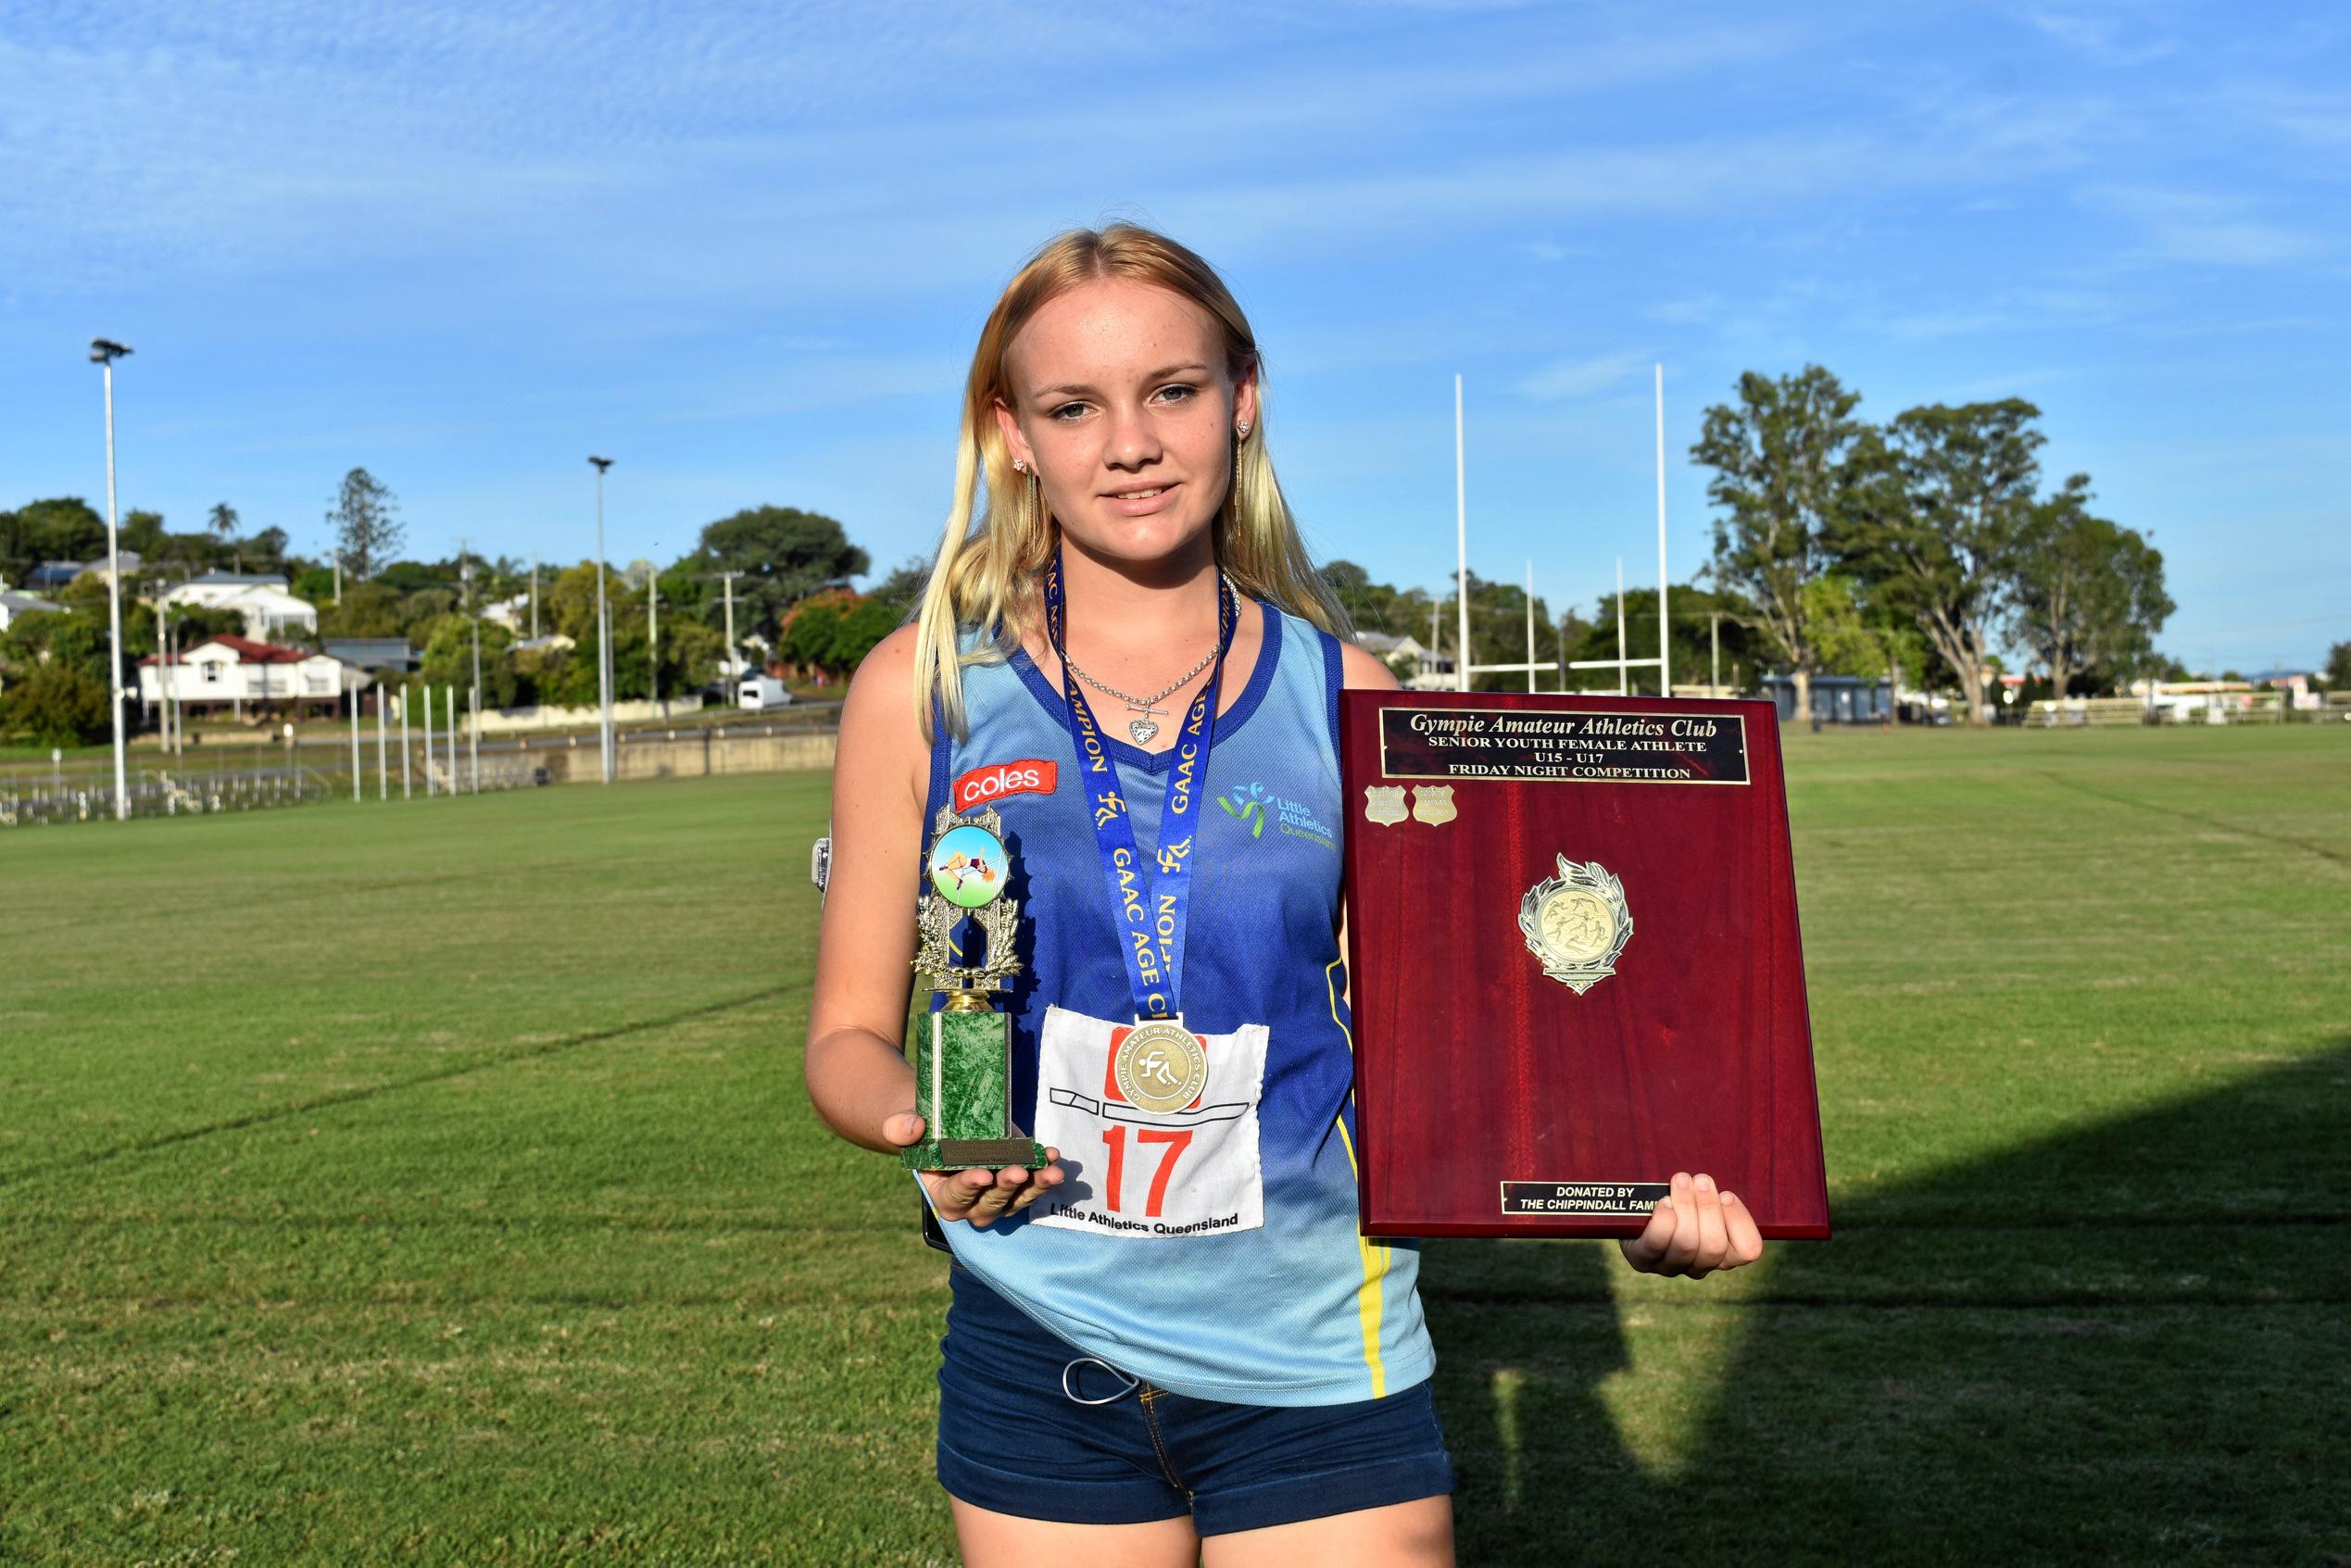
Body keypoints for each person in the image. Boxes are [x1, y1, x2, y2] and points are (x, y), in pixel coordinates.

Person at [805, 223, 1765, 1568]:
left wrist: (1623, 1189)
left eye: (1172, 390)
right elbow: (848, 1034)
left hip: (1319, 1346)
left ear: (1242, 397)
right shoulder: (922, 687)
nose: (1127, 442)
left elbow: (1464, 1044)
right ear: (1011, 431)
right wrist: (920, 1125)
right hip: (1038, 1340)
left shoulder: (1351, 696)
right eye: (1074, 406)